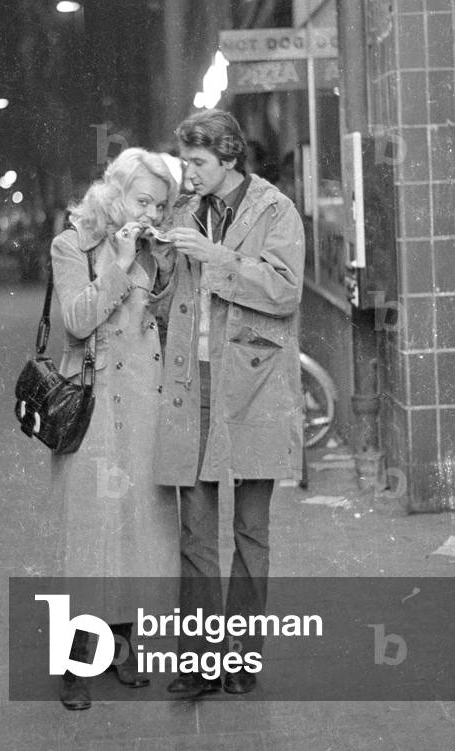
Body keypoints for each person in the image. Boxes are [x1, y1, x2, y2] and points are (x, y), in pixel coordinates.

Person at [153, 109, 305, 697]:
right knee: (194, 531)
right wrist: (157, 256)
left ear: (228, 158)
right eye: (185, 162)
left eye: (197, 163)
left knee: (250, 529)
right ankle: (197, 664)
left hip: (257, 386)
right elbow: (169, 295)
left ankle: (240, 660)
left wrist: (215, 258)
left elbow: (285, 290)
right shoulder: (186, 211)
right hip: (193, 385)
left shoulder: (275, 210)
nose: (187, 174)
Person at [49, 147, 180, 711]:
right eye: (140, 199)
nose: (148, 211)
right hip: (95, 406)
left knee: (137, 532)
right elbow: (77, 319)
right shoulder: (72, 242)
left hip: (144, 407)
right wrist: (119, 264)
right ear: (115, 191)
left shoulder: (153, 245)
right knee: (92, 535)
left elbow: (169, 318)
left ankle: (122, 650)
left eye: (158, 203)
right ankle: (75, 668)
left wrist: (168, 266)